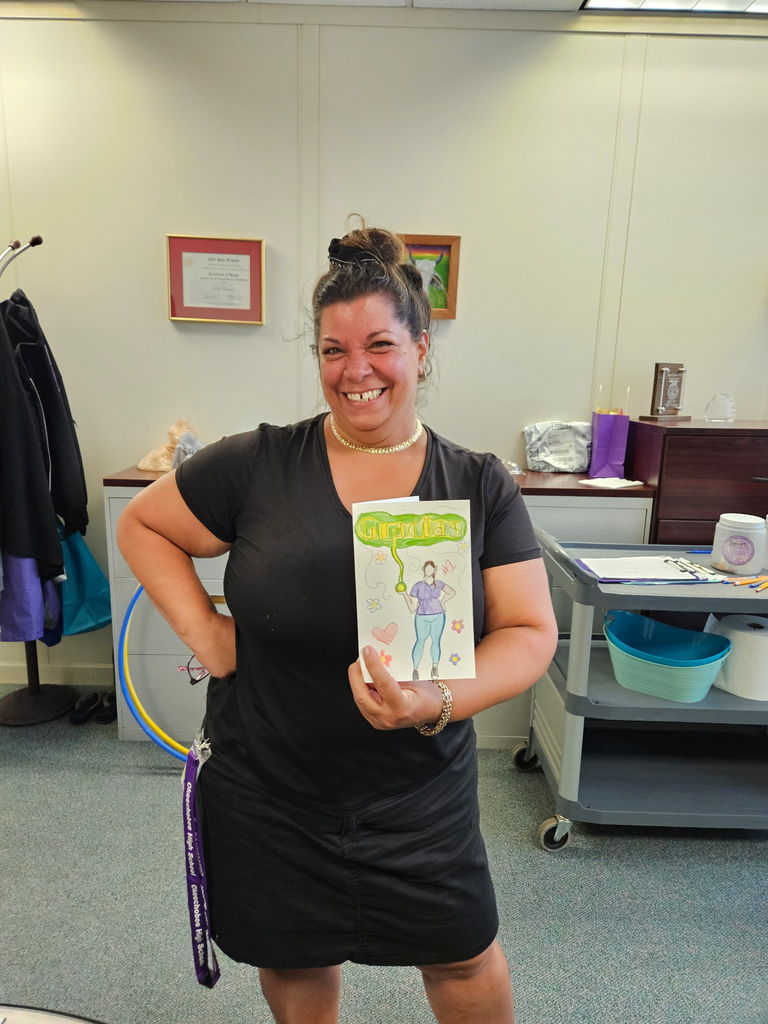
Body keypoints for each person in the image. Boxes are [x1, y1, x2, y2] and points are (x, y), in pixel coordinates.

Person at [117, 221, 558, 1024]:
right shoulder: (257, 463)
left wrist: (437, 703)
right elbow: (142, 526)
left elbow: (529, 633)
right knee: (295, 958)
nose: (355, 372)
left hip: (417, 793)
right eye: (331, 350)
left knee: (463, 958)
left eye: (380, 345)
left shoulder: (479, 483)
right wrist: (208, 633)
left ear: (422, 349)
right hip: (270, 785)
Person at [402, 560, 456, 681]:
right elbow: (412, 608)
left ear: (435, 570)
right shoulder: (417, 586)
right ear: (423, 569)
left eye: (431, 569)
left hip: (438, 616)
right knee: (420, 641)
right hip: (421, 616)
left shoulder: (439, 583)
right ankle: (415, 669)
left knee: (436, 641)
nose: (429, 571)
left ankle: (435, 667)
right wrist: (404, 594)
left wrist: (442, 601)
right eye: (427, 569)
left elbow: (452, 592)